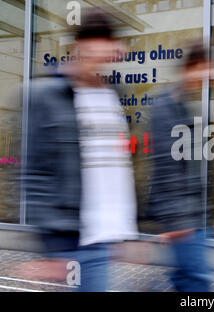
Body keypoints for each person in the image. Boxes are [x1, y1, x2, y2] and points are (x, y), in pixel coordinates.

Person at [25, 8, 138, 291]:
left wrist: (128, 231)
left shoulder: (115, 95)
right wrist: (53, 248)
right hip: (73, 239)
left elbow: (119, 163)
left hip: (106, 237)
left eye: (107, 43)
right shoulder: (47, 96)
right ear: (79, 45)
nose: (102, 52)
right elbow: (34, 174)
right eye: (94, 43)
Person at [145, 42, 214, 292]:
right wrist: (178, 220)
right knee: (197, 282)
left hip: (197, 217)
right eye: (207, 69)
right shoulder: (166, 107)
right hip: (184, 219)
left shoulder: (187, 105)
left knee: (188, 279)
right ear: (193, 67)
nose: (212, 76)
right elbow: (166, 166)